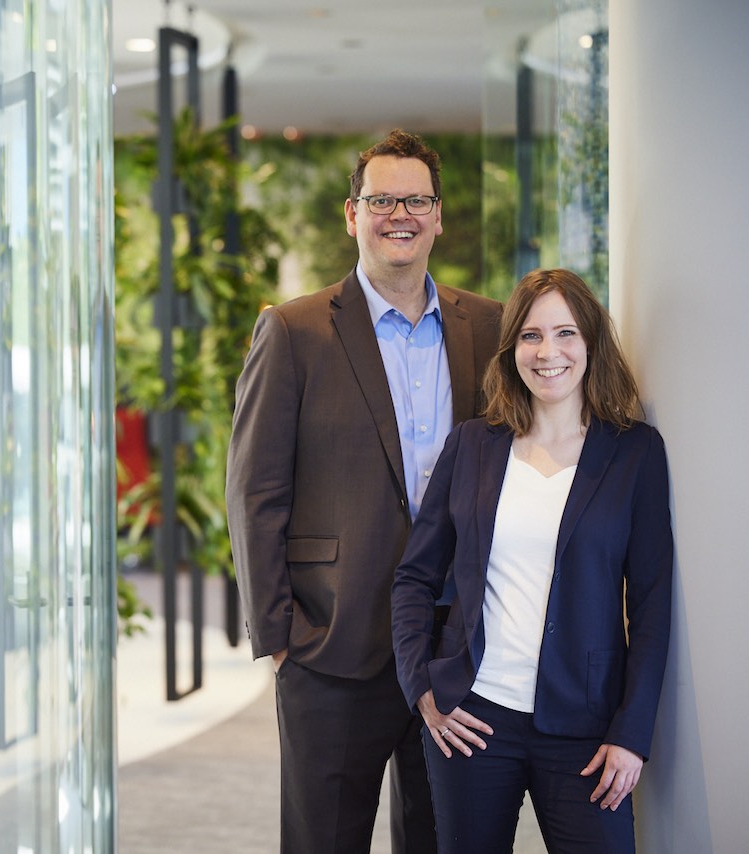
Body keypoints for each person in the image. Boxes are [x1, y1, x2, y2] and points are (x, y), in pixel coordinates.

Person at [225, 129, 503, 854]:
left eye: (416, 199)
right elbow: (254, 491)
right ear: (353, 214)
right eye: (382, 199)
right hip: (331, 643)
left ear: (438, 215)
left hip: (451, 641)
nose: (399, 214)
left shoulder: (489, 326)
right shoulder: (293, 331)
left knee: (443, 839)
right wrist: (280, 637)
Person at [390, 268, 674, 853]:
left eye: (566, 333)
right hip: (472, 719)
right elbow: (415, 576)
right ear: (512, 348)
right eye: (531, 335)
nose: (549, 352)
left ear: (591, 343)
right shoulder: (471, 445)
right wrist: (423, 685)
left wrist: (631, 734)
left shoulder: (635, 452)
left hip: (586, 730)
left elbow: (651, 605)